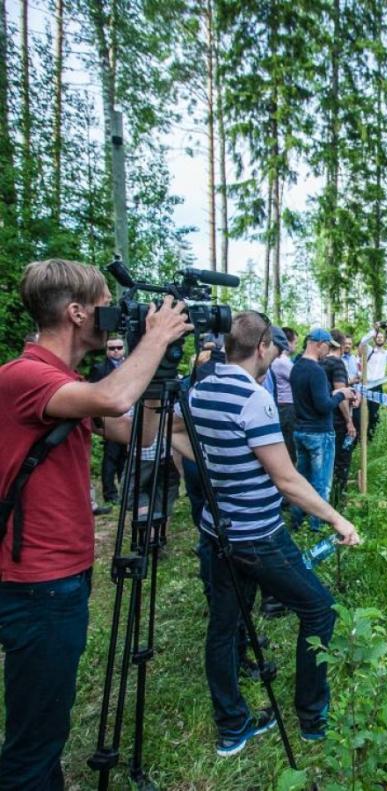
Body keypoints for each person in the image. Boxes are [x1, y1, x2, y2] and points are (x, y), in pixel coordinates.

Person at [0, 258, 191, 789]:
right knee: (33, 741)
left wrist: (160, 372)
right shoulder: (26, 376)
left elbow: (138, 434)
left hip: (59, 575)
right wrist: (154, 337)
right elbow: (113, 397)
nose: (115, 316)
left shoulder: (63, 382)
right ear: (77, 311)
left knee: (45, 724)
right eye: (107, 305)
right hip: (38, 580)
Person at [186, 311, 360, 755]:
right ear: (262, 346)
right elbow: (287, 480)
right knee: (320, 610)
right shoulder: (253, 398)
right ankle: (312, 717)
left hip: (216, 529)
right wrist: (338, 519)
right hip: (257, 535)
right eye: (274, 346)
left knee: (225, 627)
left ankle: (233, 726)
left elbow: (175, 436)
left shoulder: (202, 386)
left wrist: (220, 470)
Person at [289, 328, 355, 531]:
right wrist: (342, 393)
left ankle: (297, 522)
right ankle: (316, 528)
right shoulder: (316, 370)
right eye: (329, 346)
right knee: (321, 485)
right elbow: (323, 405)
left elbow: (310, 399)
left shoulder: (296, 366)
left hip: (300, 431)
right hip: (319, 433)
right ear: (319, 344)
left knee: (302, 482)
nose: (329, 351)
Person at [89, 335, 128, 503]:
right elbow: (93, 394)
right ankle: (110, 493)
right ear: (107, 351)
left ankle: (124, 491)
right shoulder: (99, 368)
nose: (116, 351)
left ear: (124, 348)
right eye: (112, 348)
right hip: (108, 417)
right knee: (111, 457)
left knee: (124, 457)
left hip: (128, 415)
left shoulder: (130, 367)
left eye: (119, 347)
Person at [325, 330, 357, 504]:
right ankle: (338, 500)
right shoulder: (337, 364)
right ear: (341, 344)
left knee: (326, 462)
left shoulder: (320, 362)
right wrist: (349, 421)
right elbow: (340, 395)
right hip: (338, 420)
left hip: (323, 419)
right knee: (341, 460)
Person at [358, 321, 387, 441]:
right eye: (377, 337)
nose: (379, 339)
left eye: (382, 337)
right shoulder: (369, 350)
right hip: (366, 384)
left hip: (378, 386)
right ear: (375, 339)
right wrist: (374, 331)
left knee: (374, 413)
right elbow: (363, 342)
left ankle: (370, 437)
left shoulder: (386, 354)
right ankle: (360, 436)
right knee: (362, 411)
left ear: (385, 340)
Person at [268, 327, 297, 462]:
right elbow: (298, 378)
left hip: (281, 403)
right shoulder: (283, 361)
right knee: (288, 438)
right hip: (286, 405)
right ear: (288, 342)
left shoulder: (277, 360)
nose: (295, 346)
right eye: (295, 342)